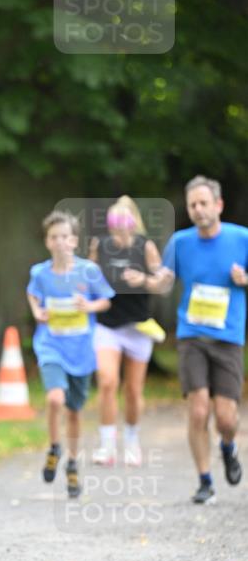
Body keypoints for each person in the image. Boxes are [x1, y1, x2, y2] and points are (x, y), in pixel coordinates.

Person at [156, 175, 247, 504]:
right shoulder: (180, 243)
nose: (197, 209)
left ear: (218, 205)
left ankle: (228, 445)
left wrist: (245, 279)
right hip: (191, 334)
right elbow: (163, 285)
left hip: (228, 337)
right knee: (197, 411)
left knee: (225, 417)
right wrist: (160, 280)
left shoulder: (242, 238)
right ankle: (205, 480)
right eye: (192, 204)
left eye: (203, 203)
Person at [27, 210, 114, 497]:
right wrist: (37, 311)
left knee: (75, 411)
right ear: (47, 241)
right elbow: (33, 295)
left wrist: (88, 307)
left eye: (65, 236)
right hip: (51, 345)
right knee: (55, 398)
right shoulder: (40, 272)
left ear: (74, 240)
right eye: (54, 237)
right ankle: (54, 447)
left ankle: (73, 464)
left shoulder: (88, 270)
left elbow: (105, 301)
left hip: (82, 350)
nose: (60, 242)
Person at [89, 196, 164, 466]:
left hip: (138, 327)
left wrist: (143, 279)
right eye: (113, 222)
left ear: (133, 222)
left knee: (133, 390)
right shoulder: (101, 246)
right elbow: (89, 276)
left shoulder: (146, 247)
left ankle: (132, 439)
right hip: (107, 325)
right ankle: (107, 445)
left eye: (123, 221)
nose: (117, 227)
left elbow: (162, 282)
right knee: (108, 382)